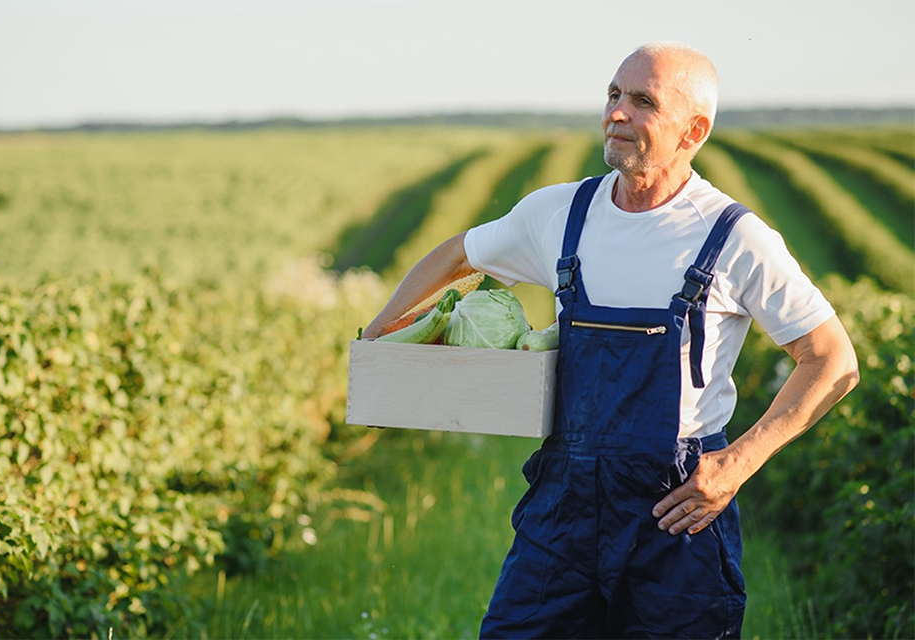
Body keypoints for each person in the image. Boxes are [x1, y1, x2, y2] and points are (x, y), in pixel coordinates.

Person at [362, 41, 859, 638]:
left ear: (693, 130)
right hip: (563, 507)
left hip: (675, 513)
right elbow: (455, 255)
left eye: (642, 101)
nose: (617, 113)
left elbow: (832, 360)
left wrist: (736, 464)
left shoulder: (734, 236)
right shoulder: (560, 214)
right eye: (613, 95)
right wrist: (380, 339)